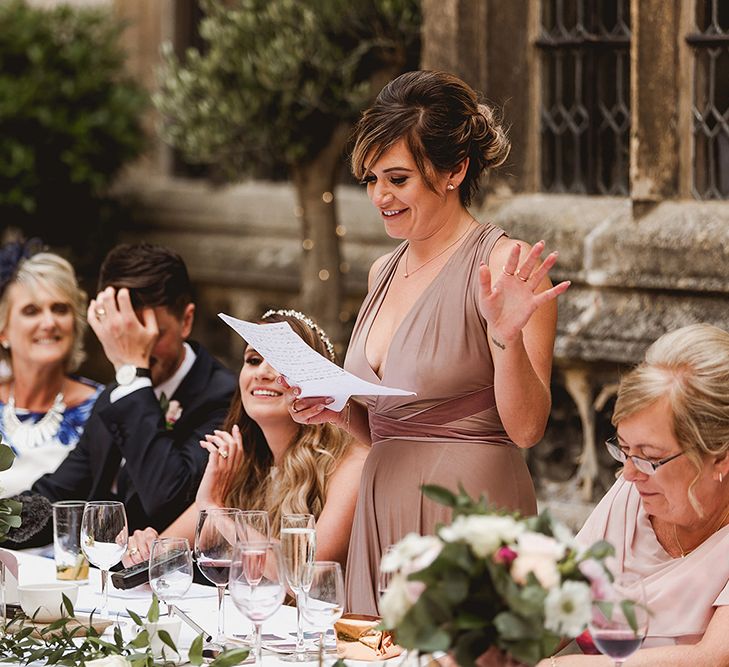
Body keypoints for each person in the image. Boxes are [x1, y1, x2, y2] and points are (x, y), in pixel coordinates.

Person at [283, 70, 570, 614]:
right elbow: (390, 425)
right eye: (370, 180)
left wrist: (506, 339)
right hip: (382, 505)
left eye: (397, 179)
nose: (379, 197)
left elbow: (527, 429)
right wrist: (339, 411)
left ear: (455, 170)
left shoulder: (507, 265)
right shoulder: (380, 271)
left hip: (468, 513)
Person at [537, 324, 729, 666]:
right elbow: (565, 600)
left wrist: (555, 666)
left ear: (720, 456)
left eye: (650, 457)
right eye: (623, 450)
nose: (628, 473)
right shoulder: (634, 490)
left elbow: (713, 658)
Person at [123, 309, 368, 567]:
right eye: (253, 360)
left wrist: (215, 510)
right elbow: (154, 560)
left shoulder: (350, 464)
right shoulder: (241, 465)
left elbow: (304, 572)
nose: (262, 372)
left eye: (281, 361)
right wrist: (144, 547)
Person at [25, 243, 236, 542]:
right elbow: (59, 496)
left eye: (153, 333)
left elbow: (169, 499)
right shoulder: (117, 394)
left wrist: (134, 376)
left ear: (186, 321)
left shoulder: (224, 397)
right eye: (126, 331)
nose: (138, 347)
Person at [0, 242, 102, 496]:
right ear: (3, 331)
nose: (49, 322)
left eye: (60, 309)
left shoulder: (105, 409)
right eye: (31, 311)